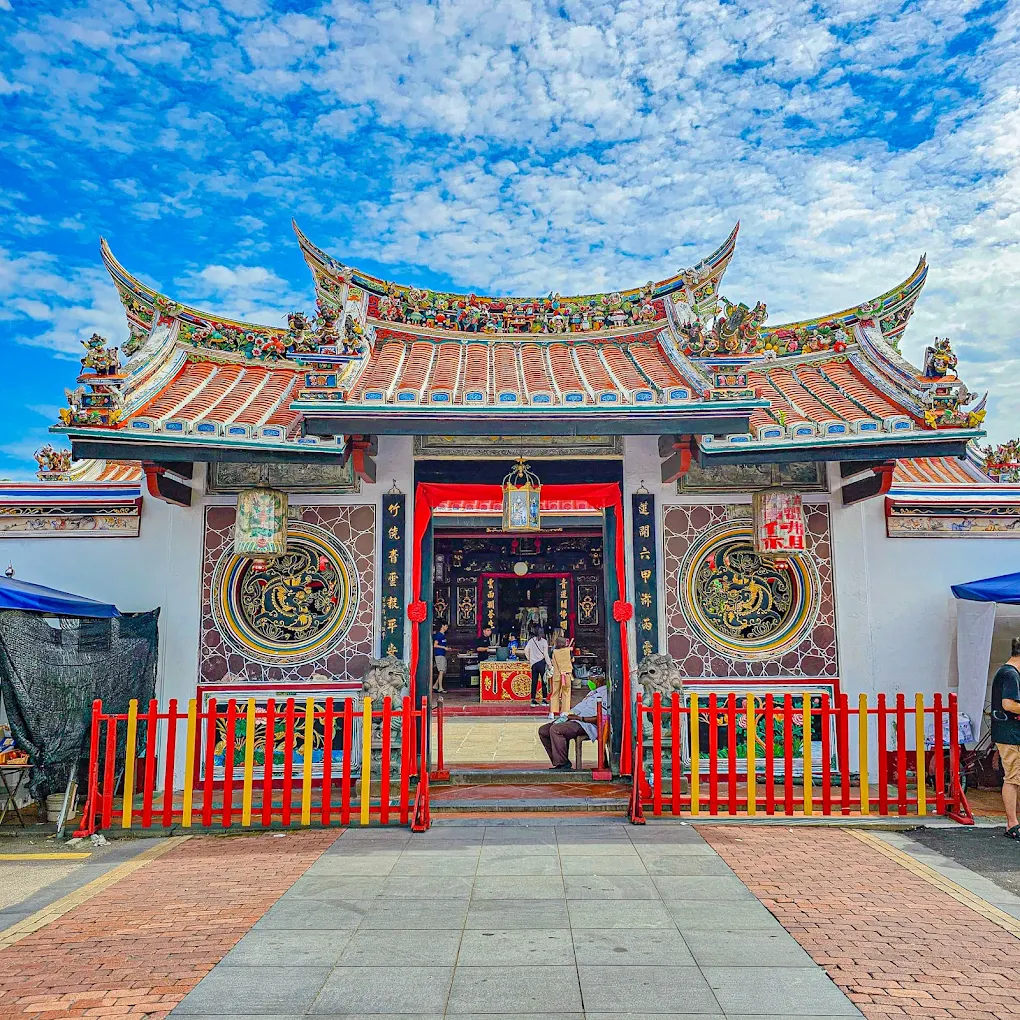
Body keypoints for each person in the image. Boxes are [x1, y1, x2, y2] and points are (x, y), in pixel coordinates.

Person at [539, 675, 608, 769]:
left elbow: (601, 717)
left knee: (556, 729)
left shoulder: (605, 694)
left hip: (586, 724)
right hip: (575, 719)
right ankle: (560, 761)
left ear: (598, 681)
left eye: (591, 679)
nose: (589, 682)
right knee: (544, 730)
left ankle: (562, 764)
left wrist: (580, 718)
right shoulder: (592, 692)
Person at [991, 637, 1020, 839]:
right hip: (1010, 734)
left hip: (1010, 733)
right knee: (1012, 777)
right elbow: (1008, 704)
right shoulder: (1011, 674)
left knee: (1015, 777)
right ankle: (1012, 823)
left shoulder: (1007, 672)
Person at [524, 625, 551, 705]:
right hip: (542, 663)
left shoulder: (531, 641)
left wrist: (530, 659)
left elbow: (526, 650)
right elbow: (545, 654)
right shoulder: (544, 642)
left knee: (534, 681)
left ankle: (533, 699)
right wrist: (549, 664)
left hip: (534, 664)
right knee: (544, 681)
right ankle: (544, 699)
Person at [549, 636, 574, 719]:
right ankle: (564, 711)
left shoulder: (553, 652)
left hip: (557, 674)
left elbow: (552, 661)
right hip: (567, 674)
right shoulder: (569, 651)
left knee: (555, 693)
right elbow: (572, 660)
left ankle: (552, 712)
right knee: (566, 693)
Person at [432, 621, 449, 693]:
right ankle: (440, 688)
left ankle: (435, 686)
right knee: (441, 671)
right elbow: (435, 645)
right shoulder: (439, 635)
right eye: (446, 626)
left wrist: (446, 648)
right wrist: (444, 647)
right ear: (442, 626)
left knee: (443, 671)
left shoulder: (443, 635)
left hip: (442, 654)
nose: (447, 627)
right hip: (439, 655)